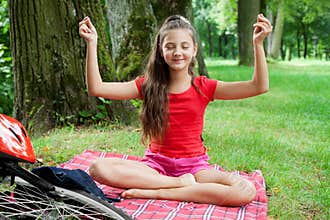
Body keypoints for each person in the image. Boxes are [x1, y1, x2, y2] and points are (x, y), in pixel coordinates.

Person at [79, 14, 272, 206]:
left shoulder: (204, 87)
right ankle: (178, 185)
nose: (177, 52)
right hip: (155, 167)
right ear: (161, 51)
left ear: (194, 49)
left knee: (245, 192)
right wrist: (92, 43)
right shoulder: (147, 86)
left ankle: (159, 193)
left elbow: (259, 86)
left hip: (196, 169)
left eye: (184, 46)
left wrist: (258, 44)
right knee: (98, 168)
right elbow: (97, 88)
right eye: (170, 46)